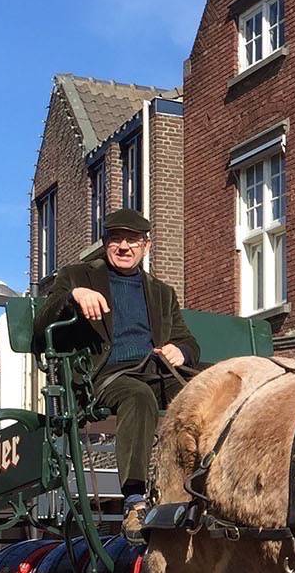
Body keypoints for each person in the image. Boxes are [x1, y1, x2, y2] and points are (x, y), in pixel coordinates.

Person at [33, 208, 199, 527]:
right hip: (105, 378)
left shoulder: (162, 293)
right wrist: (72, 297)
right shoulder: (77, 276)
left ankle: (200, 485)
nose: (124, 247)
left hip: (156, 371)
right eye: (116, 239)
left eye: (133, 240)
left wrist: (182, 350)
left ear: (146, 246)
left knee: (206, 390)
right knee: (137, 397)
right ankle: (135, 499)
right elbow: (41, 330)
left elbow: (187, 339)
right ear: (105, 243)